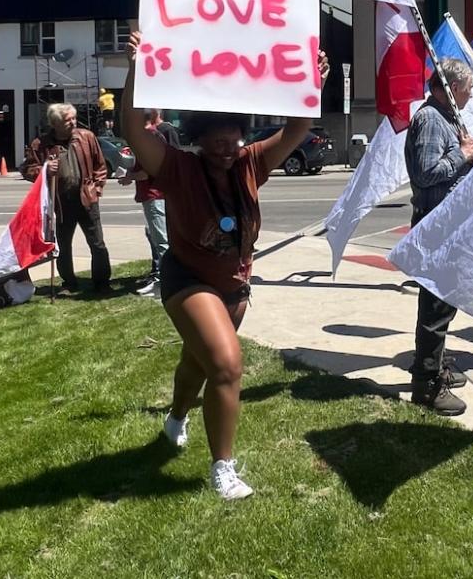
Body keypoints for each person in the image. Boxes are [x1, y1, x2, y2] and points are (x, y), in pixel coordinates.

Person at [122, 31, 330, 500]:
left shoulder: (252, 162)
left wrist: (309, 80)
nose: (226, 145)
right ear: (198, 138)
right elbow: (135, 130)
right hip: (188, 279)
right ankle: (224, 469)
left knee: (197, 362)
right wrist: (137, 69)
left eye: (233, 135)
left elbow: (296, 129)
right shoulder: (176, 167)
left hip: (234, 285)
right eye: (215, 138)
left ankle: (175, 417)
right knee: (227, 365)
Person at [405, 58, 473, 416]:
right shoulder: (431, 120)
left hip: (448, 225)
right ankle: (426, 384)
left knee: (444, 302)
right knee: (435, 307)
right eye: (467, 86)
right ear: (448, 87)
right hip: (437, 226)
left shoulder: (444, 118)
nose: (472, 92)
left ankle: (433, 365)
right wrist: (462, 156)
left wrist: (467, 158)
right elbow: (425, 174)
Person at [22, 104, 111, 293]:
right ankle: (69, 282)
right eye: (67, 120)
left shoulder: (86, 137)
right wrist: (44, 169)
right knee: (62, 245)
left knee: (97, 243)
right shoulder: (41, 144)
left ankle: (102, 282)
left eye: (73, 118)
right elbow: (28, 170)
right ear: (54, 123)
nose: (73, 122)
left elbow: (100, 165)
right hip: (60, 203)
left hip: (87, 199)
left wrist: (97, 187)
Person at [121, 110, 182, 298]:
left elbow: (150, 170)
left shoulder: (152, 136)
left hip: (156, 195)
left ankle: (167, 285)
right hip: (153, 195)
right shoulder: (151, 135)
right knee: (158, 239)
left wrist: (130, 175)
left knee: (162, 242)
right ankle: (163, 280)